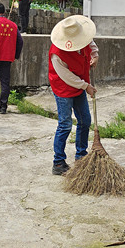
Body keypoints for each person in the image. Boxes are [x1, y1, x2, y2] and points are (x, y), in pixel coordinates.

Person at [48, 15, 99, 175]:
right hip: (64, 87)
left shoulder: (83, 39)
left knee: (85, 120)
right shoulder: (57, 53)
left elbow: (91, 44)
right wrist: (86, 86)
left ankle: (81, 156)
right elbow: (67, 77)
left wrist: (95, 55)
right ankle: (58, 162)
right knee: (65, 124)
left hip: (80, 84)